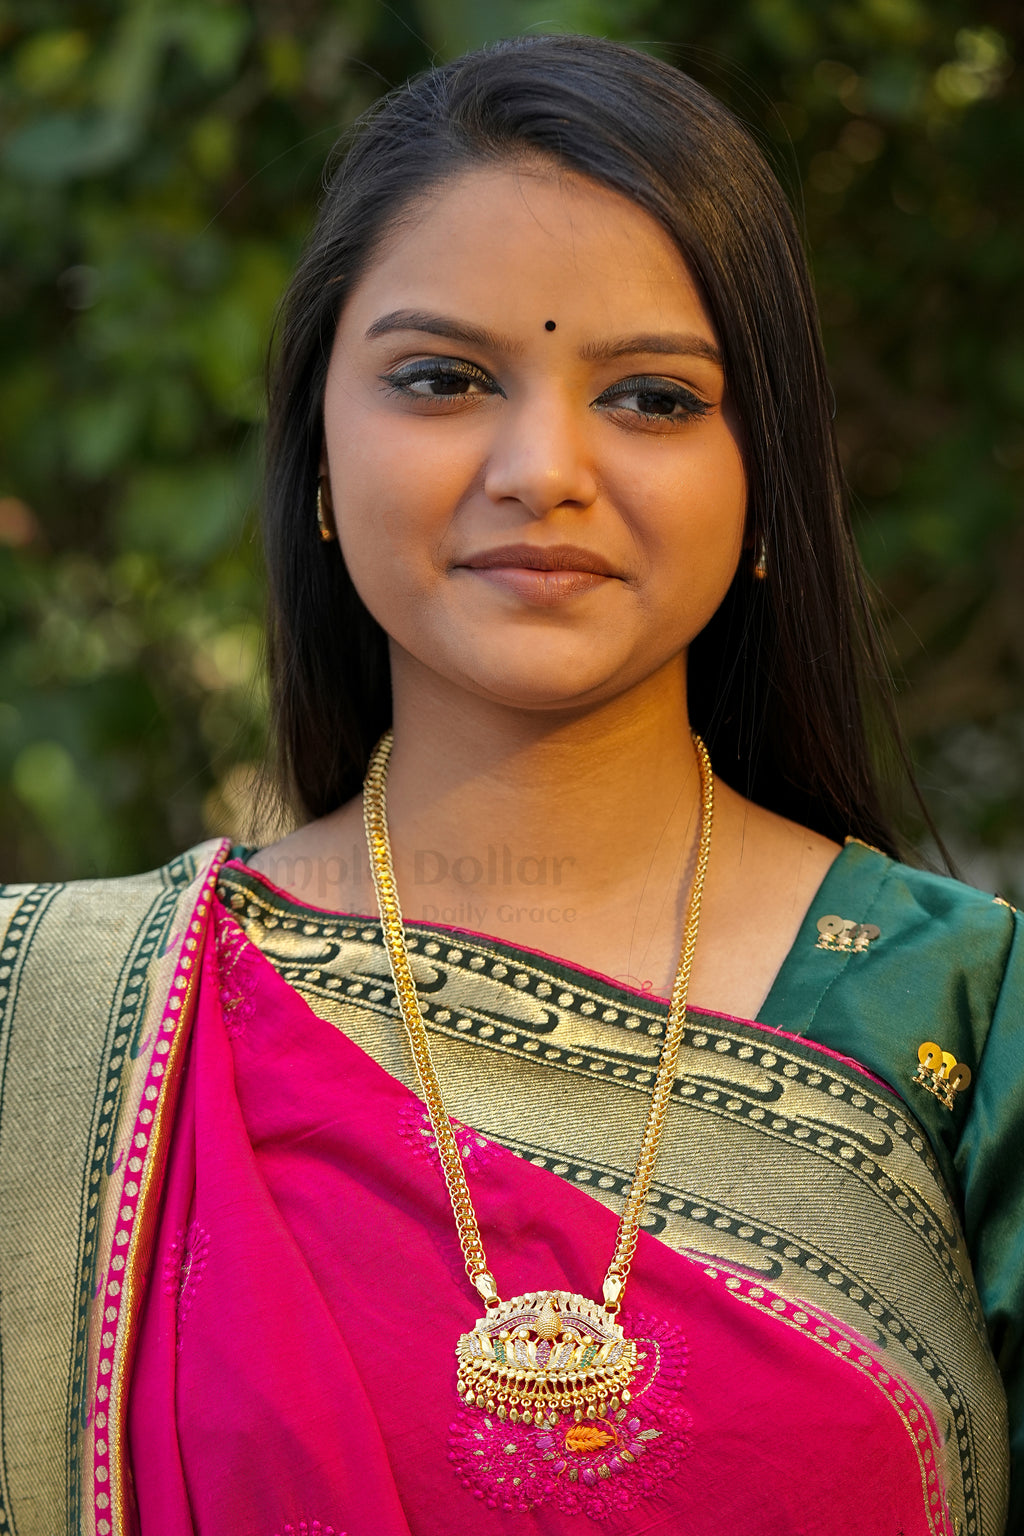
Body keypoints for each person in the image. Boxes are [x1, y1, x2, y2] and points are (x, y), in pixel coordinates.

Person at [0, 32, 1019, 1536]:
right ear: (318, 458)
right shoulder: (62, 1033)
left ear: (765, 478)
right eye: (445, 377)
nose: (543, 465)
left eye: (655, 398)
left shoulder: (964, 1013)